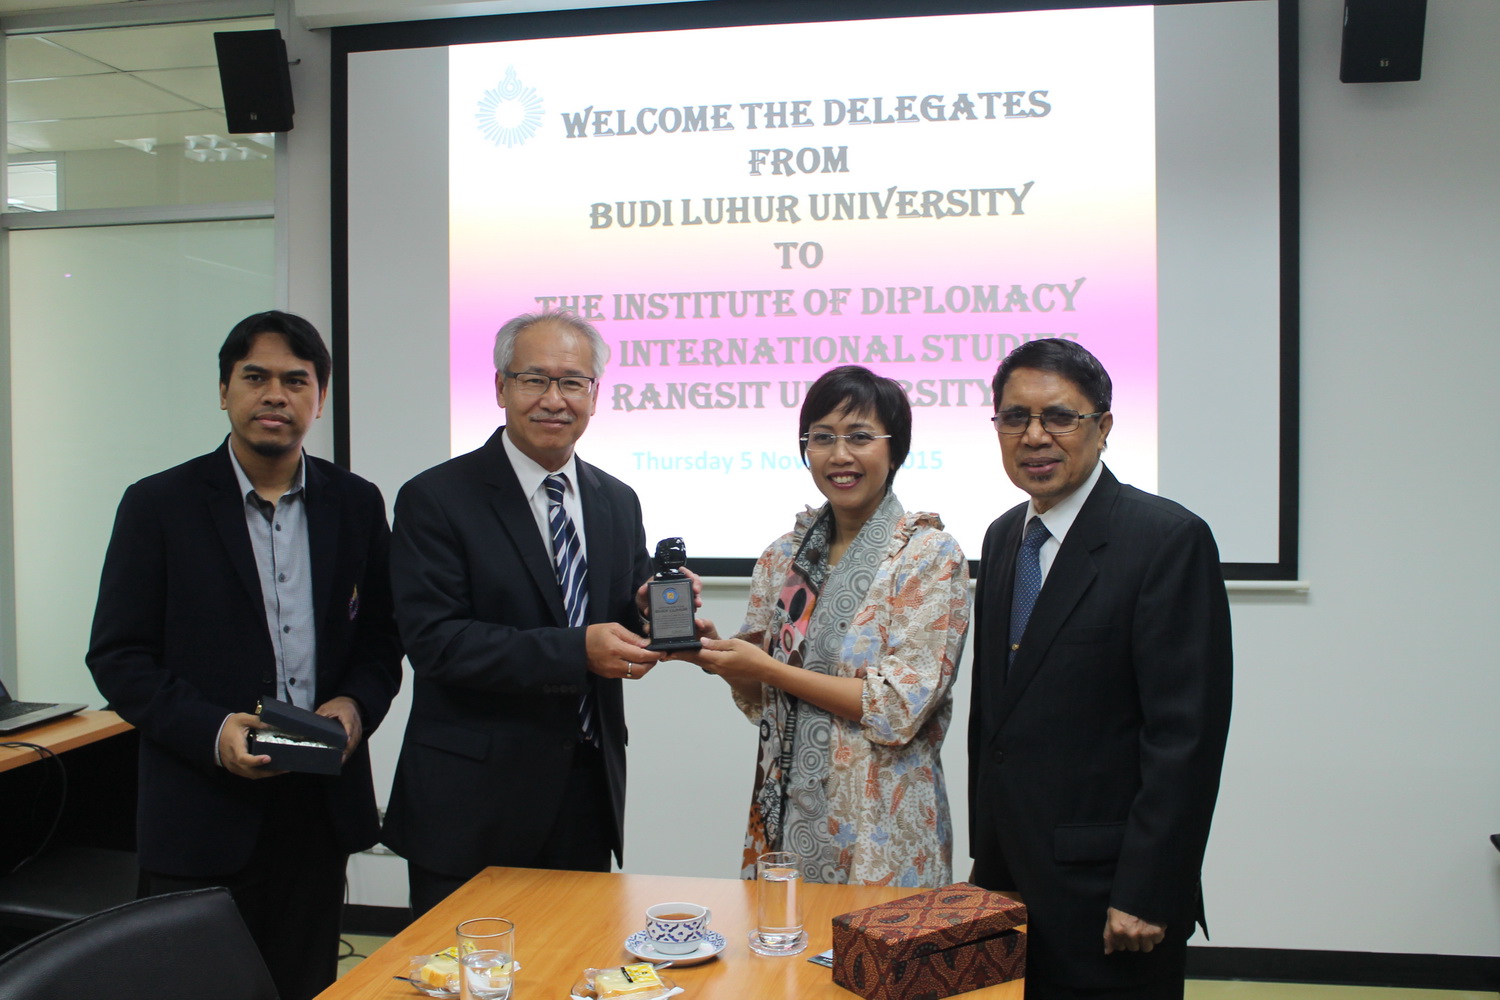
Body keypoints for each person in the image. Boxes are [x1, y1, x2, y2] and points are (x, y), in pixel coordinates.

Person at [86, 310, 403, 1000]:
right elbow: (119, 657)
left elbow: (382, 640)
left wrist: (355, 705)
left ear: (319, 397)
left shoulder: (355, 504)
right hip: (202, 809)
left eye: (296, 380)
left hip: (318, 808)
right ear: (223, 390)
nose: (275, 396)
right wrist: (213, 730)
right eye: (255, 377)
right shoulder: (158, 504)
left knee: (305, 984)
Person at [968, 338, 1232, 1000]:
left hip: (1111, 892)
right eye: (1014, 417)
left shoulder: (1166, 541)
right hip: (1011, 877)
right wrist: (988, 866)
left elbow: (1184, 741)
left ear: (1104, 428)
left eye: (1059, 416)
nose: (1035, 436)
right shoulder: (1004, 537)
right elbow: (998, 716)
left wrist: (1149, 890)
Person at [382, 310, 667, 916]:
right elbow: (436, 643)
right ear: (500, 388)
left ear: (595, 394)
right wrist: (576, 650)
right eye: (534, 379)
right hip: (471, 806)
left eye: (573, 382)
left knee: (570, 973)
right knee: (458, 980)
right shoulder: (435, 498)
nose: (554, 399)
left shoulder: (617, 500)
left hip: (586, 792)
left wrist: (655, 613)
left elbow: (614, 617)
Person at [675, 365, 970, 888]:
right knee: (778, 959)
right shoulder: (782, 557)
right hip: (787, 811)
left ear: (896, 450)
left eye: (860, 437)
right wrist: (717, 658)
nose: (839, 456)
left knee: (880, 965)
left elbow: (897, 709)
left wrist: (769, 669)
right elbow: (764, 698)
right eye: (822, 438)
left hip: (882, 820)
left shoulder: (928, 556)